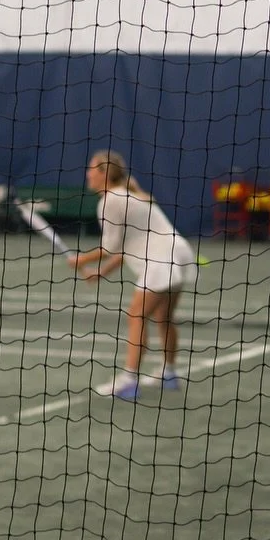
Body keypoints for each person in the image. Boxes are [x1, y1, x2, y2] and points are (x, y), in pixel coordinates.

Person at [72, 150, 197, 400]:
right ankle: (168, 372)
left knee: (136, 316)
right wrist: (102, 272)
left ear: (104, 173)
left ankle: (129, 381)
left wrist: (81, 259)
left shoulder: (110, 201)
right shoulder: (129, 197)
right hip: (180, 253)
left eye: (91, 168)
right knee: (164, 317)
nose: (87, 174)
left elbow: (109, 248)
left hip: (161, 260)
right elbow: (126, 246)